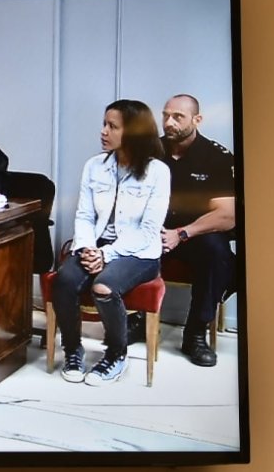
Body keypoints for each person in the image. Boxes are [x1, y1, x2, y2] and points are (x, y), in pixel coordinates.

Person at [53, 99, 169, 386]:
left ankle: (117, 354)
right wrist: (87, 248)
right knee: (64, 281)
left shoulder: (157, 172)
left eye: (112, 126)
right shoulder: (94, 166)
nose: (103, 131)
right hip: (96, 245)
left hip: (139, 252)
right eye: (104, 124)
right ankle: (72, 350)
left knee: (103, 287)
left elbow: (149, 230)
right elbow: (84, 216)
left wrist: (106, 254)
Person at [158, 94, 236, 368]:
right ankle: (135, 317)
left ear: (197, 120)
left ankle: (196, 333)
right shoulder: (151, 151)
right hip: (156, 230)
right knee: (131, 242)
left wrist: (181, 234)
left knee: (217, 253)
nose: (169, 122)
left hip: (197, 234)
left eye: (177, 117)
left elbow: (227, 216)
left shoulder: (216, 156)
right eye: (166, 115)